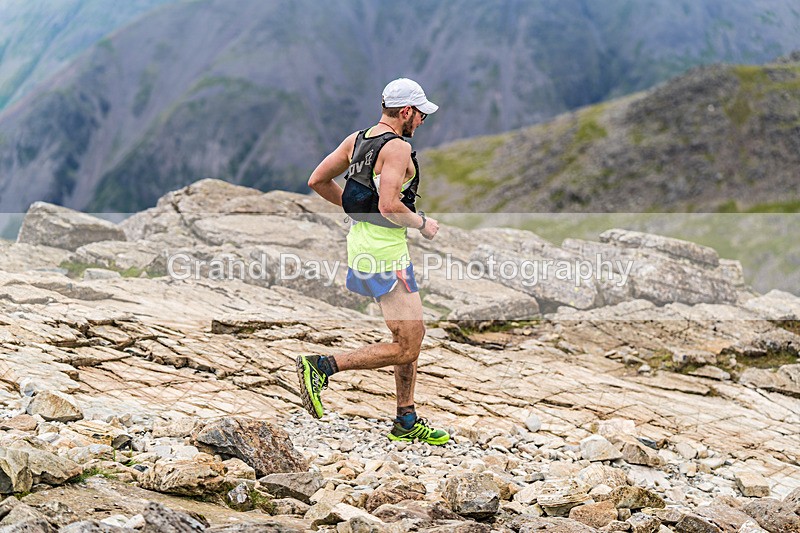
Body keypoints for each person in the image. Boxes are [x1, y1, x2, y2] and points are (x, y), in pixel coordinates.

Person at [297, 78, 450, 445]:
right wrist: (422, 223)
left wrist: (357, 210)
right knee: (409, 346)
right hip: (385, 254)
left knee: (409, 334)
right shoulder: (397, 148)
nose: (422, 121)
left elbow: (318, 180)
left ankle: (406, 419)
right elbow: (390, 205)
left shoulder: (358, 139)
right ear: (406, 111)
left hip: (364, 245)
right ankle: (322, 366)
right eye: (421, 114)